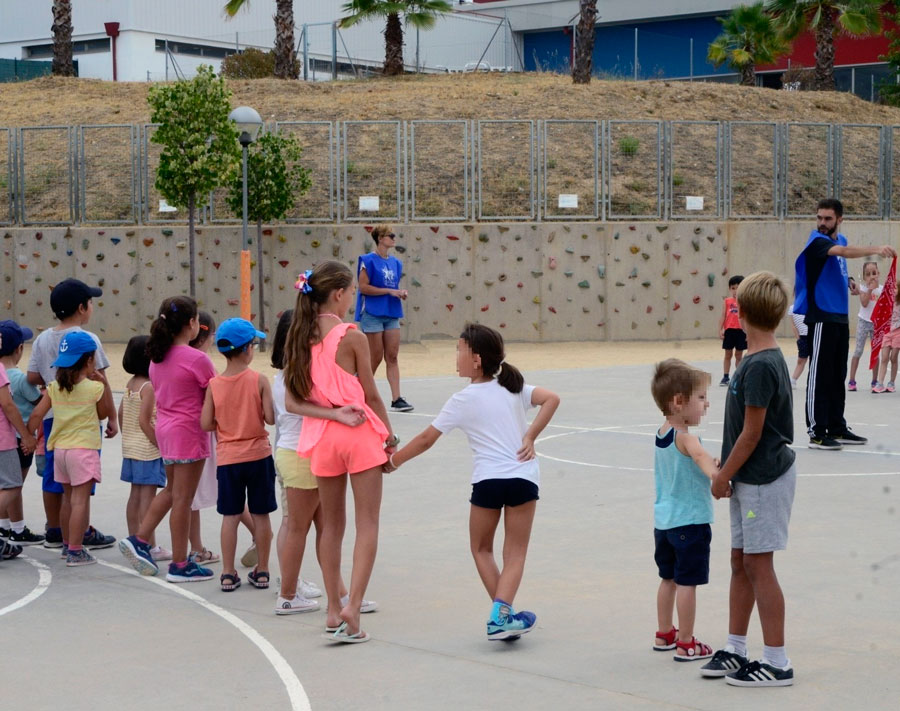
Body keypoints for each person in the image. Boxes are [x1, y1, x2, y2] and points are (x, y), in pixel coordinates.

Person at [387, 324, 560, 641]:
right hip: (523, 478)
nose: (456, 357)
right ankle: (503, 615)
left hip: (488, 482)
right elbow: (552, 399)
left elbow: (427, 439)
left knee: (481, 549)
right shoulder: (513, 387)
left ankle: (501, 616)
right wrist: (530, 436)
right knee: (515, 553)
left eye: (459, 350)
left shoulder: (462, 399)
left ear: (476, 359)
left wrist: (394, 461)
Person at [284, 263, 395, 643]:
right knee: (368, 524)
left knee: (331, 526)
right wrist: (390, 436)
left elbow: (293, 402)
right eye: (350, 293)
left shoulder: (298, 336)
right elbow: (371, 394)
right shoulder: (352, 335)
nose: (352, 300)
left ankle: (333, 608)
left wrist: (330, 413)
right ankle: (353, 606)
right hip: (358, 432)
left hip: (324, 438)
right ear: (337, 295)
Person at [705, 271, 796, 687]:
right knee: (740, 562)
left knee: (759, 565)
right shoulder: (757, 359)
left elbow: (753, 433)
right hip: (748, 477)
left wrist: (723, 474)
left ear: (740, 312)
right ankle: (736, 648)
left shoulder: (760, 365)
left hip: (761, 479)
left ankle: (777, 662)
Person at [271, 309, 369, 614]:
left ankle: (339, 594)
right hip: (300, 454)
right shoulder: (296, 374)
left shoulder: (286, 374)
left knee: (324, 528)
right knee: (299, 527)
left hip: (300, 453)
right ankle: (287, 594)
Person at [118, 296, 217, 583]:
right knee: (182, 500)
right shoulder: (198, 359)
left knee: (173, 491)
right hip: (189, 433)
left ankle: (139, 540)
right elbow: (215, 394)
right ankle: (179, 563)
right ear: (191, 324)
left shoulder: (157, 359)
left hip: (167, 431)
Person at [794, 198, 896, 450]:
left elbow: (838, 262)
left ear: (839, 219)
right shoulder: (817, 240)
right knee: (819, 376)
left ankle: (836, 427)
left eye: (828, 219)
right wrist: (876, 249)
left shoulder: (841, 239)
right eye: (819, 218)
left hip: (839, 317)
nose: (822, 223)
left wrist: (848, 280)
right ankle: (817, 432)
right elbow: (842, 253)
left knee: (837, 374)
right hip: (821, 317)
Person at [26, 278, 117, 550]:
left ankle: (54, 529)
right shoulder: (88, 339)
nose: (92, 307)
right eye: (91, 303)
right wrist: (112, 417)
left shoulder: (42, 339)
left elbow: (32, 376)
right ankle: (81, 533)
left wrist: (50, 381)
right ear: (81, 307)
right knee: (80, 484)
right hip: (83, 419)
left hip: (53, 417)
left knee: (53, 477)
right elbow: (101, 380)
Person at [649, 359, 719, 662]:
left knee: (668, 579)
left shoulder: (662, 433)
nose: (707, 404)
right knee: (688, 583)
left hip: (664, 524)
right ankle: (686, 642)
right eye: (701, 398)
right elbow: (701, 457)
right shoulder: (687, 437)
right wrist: (719, 476)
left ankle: (665, 632)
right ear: (678, 402)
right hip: (690, 524)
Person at [200, 318, 276, 592]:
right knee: (262, 514)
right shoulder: (259, 380)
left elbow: (206, 423)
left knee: (230, 516)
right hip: (258, 455)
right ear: (247, 349)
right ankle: (263, 569)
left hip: (229, 458)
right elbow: (270, 418)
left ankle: (229, 573)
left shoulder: (214, 385)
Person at [118, 335, 170, 562]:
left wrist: (127, 437)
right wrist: (160, 444)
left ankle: (132, 537)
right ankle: (149, 545)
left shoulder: (130, 384)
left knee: (135, 496)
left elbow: (122, 414)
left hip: (131, 449)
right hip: (148, 451)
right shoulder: (149, 387)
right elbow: (144, 420)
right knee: (148, 499)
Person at [355, 225, 414, 413]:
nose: (394, 238)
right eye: (391, 235)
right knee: (375, 357)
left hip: (391, 312)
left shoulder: (396, 263)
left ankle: (397, 399)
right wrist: (389, 291)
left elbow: (393, 286)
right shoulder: (367, 260)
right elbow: (363, 287)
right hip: (372, 313)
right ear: (380, 238)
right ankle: (359, 394)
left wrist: (400, 292)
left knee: (392, 355)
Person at [0, 320, 43, 545]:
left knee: (7, 484)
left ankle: (8, 527)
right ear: (19, 349)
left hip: (9, 439)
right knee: (14, 485)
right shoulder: (18, 378)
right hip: (18, 439)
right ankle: (16, 529)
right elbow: (38, 402)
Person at [848, 261, 881, 392]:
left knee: (876, 352)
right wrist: (870, 289)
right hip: (864, 321)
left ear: (878, 273)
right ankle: (851, 380)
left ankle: (874, 380)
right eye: (868, 274)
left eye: (874, 273)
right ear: (864, 277)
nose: (872, 276)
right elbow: (865, 303)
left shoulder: (882, 289)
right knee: (858, 350)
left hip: (876, 324)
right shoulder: (862, 288)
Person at [718, 275, 746, 386]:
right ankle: (725, 377)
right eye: (733, 288)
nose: (735, 290)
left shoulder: (745, 301)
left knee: (739, 355)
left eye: (738, 288)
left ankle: (739, 377)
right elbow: (723, 316)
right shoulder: (727, 301)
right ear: (730, 289)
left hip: (741, 331)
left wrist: (748, 332)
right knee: (728, 355)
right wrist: (720, 329)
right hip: (729, 331)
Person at [873, 287, 900, 394]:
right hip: (887, 332)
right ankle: (880, 383)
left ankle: (891, 382)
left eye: (896, 288)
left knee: (893, 357)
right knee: (884, 357)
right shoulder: (887, 302)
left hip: (898, 332)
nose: (893, 290)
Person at [787, 302, 808, 390]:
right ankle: (793, 380)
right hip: (802, 337)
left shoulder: (812, 305)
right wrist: (798, 339)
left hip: (813, 335)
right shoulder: (792, 308)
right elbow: (793, 325)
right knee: (801, 359)